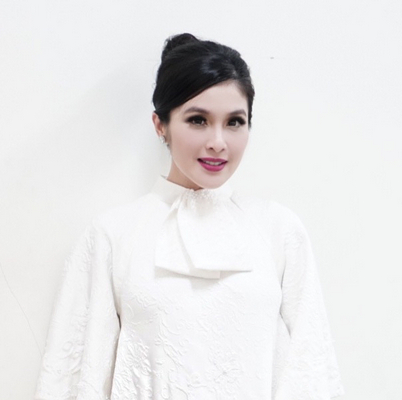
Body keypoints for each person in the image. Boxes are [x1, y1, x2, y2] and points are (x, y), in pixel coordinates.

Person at [34, 33, 344, 400]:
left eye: (235, 122)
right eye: (198, 120)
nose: (218, 142)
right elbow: (74, 380)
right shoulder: (112, 236)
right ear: (160, 124)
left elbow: (312, 371)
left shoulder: (279, 230)